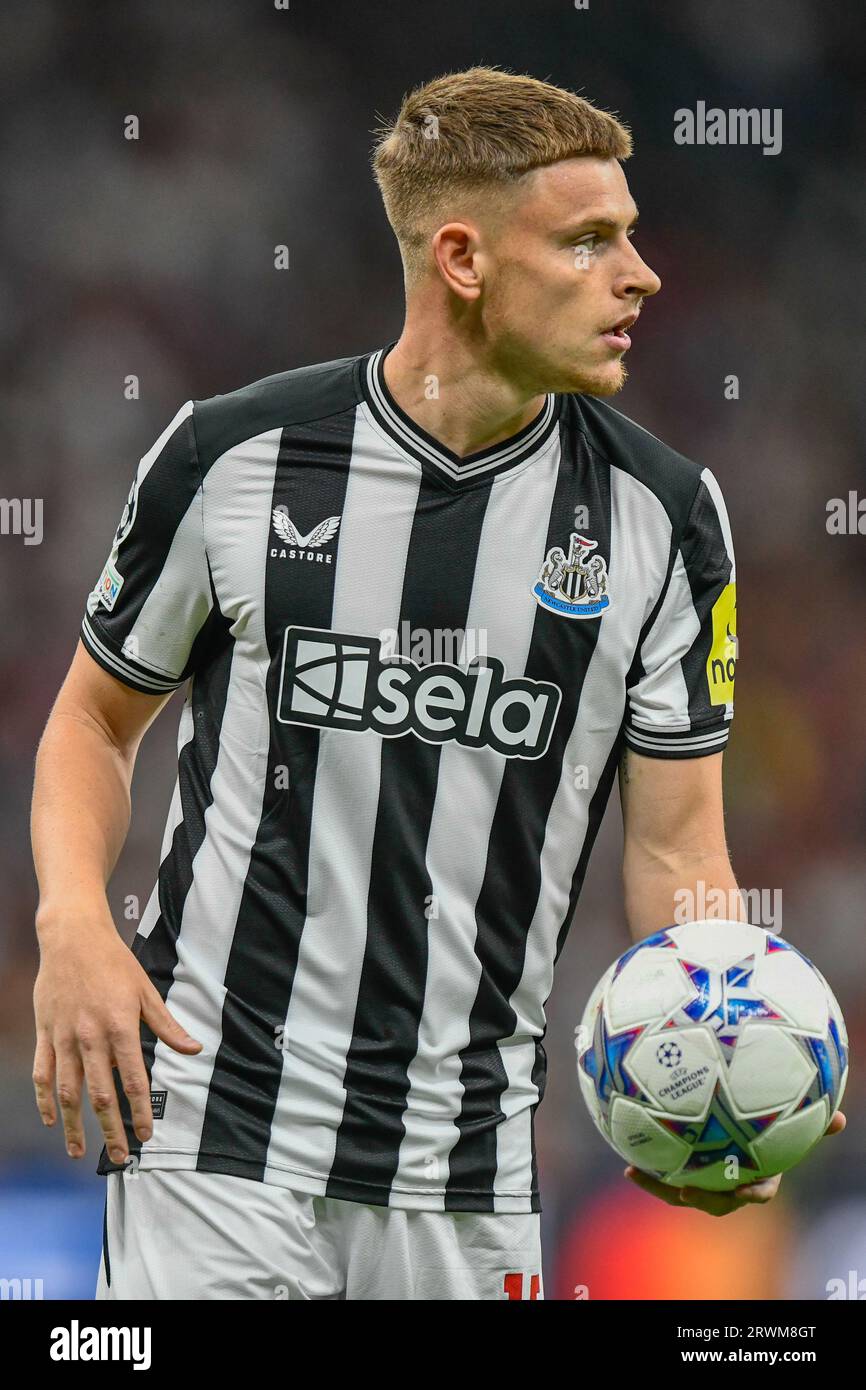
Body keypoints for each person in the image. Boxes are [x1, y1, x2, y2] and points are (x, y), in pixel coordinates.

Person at [30, 65, 843, 1301]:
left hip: (468, 1171)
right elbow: (95, 716)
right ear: (461, 259)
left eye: (630, 236)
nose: (640, 275)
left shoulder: (666, 518)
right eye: (587, 243)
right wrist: (74, 918)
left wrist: (724, 1056)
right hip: (215, 1135)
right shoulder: (231, 457)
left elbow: (679, 853)